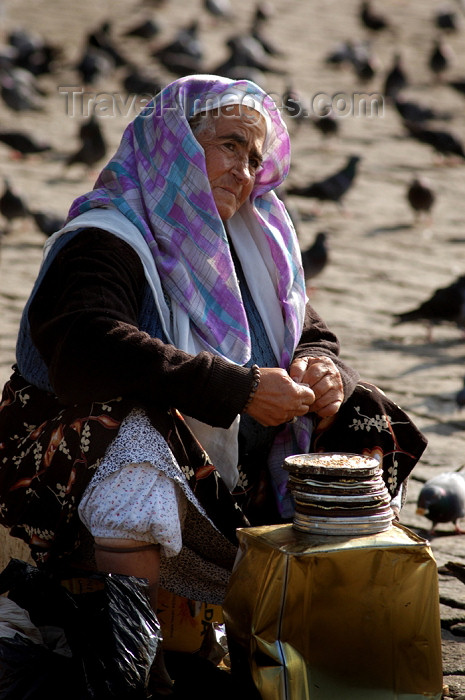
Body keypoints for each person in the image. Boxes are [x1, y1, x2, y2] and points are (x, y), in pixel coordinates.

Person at [0, 74, 426, 694]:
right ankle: (136, 663)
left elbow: (310, 331)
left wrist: (320, 368)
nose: (244, 170)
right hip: (59, 467)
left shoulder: (250, 244)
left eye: (255, 157)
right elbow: (86, 346)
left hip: (222, 472)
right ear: (174, 144)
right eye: (229, 145)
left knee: (364, 414)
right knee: (136, 437)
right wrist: (239, 388)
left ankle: (305, 623)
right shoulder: (105, 239)